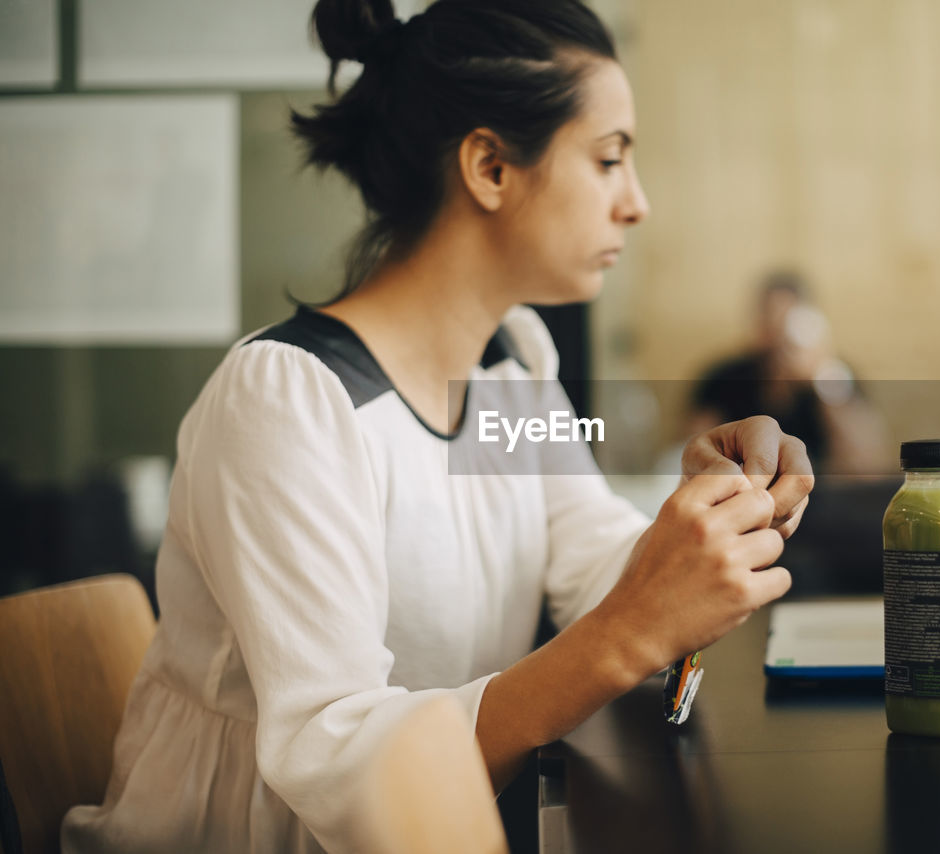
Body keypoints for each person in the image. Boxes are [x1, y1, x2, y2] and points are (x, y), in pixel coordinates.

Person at [60, 2, 813, 852]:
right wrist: (633, 625)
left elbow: (597, 563)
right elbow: (341, 763)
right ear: (490, 167)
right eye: (608, 160)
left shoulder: (511, 366)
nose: (636, 204)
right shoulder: (287, 400)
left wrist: (707, 515)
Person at [690, 270, 892, 475]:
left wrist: (824, 378)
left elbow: (868, 460)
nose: (778, 332)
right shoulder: (725, 376)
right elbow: (692, 448)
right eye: (770, 317)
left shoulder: (834, 378)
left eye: (787, 320)